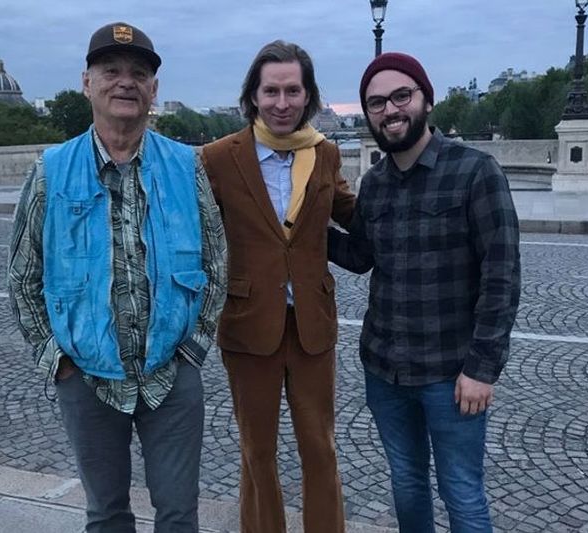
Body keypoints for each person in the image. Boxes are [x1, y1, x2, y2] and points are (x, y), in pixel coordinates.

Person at [7, 22, 226, 533]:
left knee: (179, 514)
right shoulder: (50, 170)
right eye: (111, 71)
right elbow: (22, 276)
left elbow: (216, 262)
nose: (126, 82)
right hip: (85, 377)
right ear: (87, 83)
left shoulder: (186, 165)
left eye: (138, 74)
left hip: (171, 373)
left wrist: (193, 349)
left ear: (154, 89)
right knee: (106, 514)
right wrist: (57, 360)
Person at [328, 52, 521, 533]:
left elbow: (502, 278)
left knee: (462, 491)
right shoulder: (374, 184)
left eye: (401, 96)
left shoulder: (476, 172)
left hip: (450, 374)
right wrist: (307, 229)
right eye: (376, 103)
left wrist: (481, 369)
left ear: (426, 100)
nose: (390, 110)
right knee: (407, 482)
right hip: (385, 369)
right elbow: (362, 256)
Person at [201, 40, 355, 533]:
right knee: (257, 452)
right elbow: (189, 229)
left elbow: (354, 214)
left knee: (321, 447)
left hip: (312, 325)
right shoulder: (218, 158)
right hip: (248, 326)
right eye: (272, 91)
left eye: (293, 91)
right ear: (253, 95)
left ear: (309, 96)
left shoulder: (325, 153)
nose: (282, 103)